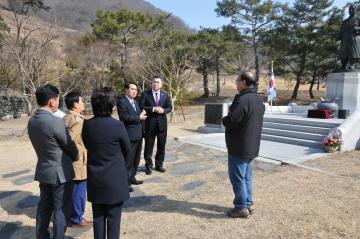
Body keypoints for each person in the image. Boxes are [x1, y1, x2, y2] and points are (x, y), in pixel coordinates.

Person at [27, 84, 78, 239]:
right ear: (51, 101)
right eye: (57, 99)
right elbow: (68, 143)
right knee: (60, 208)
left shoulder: (32, 121)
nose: (58, 102)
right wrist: (75, 156)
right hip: (60, 172)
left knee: (44, 206)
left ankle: (42, 236)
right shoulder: (54, 121)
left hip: (43, 169)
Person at [82, 87, 131, 239]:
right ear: (111, 105)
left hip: (95, 179)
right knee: (114, 220)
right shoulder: (117, 125)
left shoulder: (87, 125)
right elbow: (127, 149)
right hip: (115, 179)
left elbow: (87, 144)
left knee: (98, 219)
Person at [222, 71, 265, 218]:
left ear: (244, 82)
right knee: (246, 177)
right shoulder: (258, 99)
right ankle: (247, 203)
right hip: (252, 145)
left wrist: (224, 119)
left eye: (237, 80)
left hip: (239, 146)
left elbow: (232, 120)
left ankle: (241, 207)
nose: (236, 83)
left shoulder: (243, 100)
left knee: (238, 178)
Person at [63, 91, 91, 228]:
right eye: (81, 101)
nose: (83, 103)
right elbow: (71, 142)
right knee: (79, 190)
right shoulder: (77, 120)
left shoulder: (66, 117)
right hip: (77, 161)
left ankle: (71, 215)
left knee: (72, 189)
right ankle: (77, 218)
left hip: (69, 161)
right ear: (75, 104)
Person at [117, 82, 147, 192]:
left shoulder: (136, 102)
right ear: (126, 90)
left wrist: (142, 114)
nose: (134, 91)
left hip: (139, 135)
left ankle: (132, 177)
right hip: (129, 136)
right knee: (128, 160)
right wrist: (139, 117)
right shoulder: (122, 102)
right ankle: (126, 182)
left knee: (136, 159)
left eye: (136, 90)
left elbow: (137, 115)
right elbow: (124, 117)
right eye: (132, 89)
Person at [139, 76, 172, 175]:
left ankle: (159, 164)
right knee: (149, 146)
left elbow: (169, 107)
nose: (156, 84)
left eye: (158, 82)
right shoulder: (145, 94)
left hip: (162, 125)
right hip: (149, 124)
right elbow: (141, 106)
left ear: (161, 84)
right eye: (154, 82)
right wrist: (153, 109)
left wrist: (163, 110)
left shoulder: (165, 95)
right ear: (151, 83)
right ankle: (148, 165)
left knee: (161, 145)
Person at [338, 4, 360, 69]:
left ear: (355, 9)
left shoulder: (358, 18)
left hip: (354, 38)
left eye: (352, 8)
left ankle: (353, 64)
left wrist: (356, 28)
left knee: (353, 52)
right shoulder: (345, 21)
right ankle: (343, 64)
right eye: (350, 9)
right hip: (345, 39)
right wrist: (339, 36)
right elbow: (341, 29)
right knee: (344, 52)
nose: (351, 10)